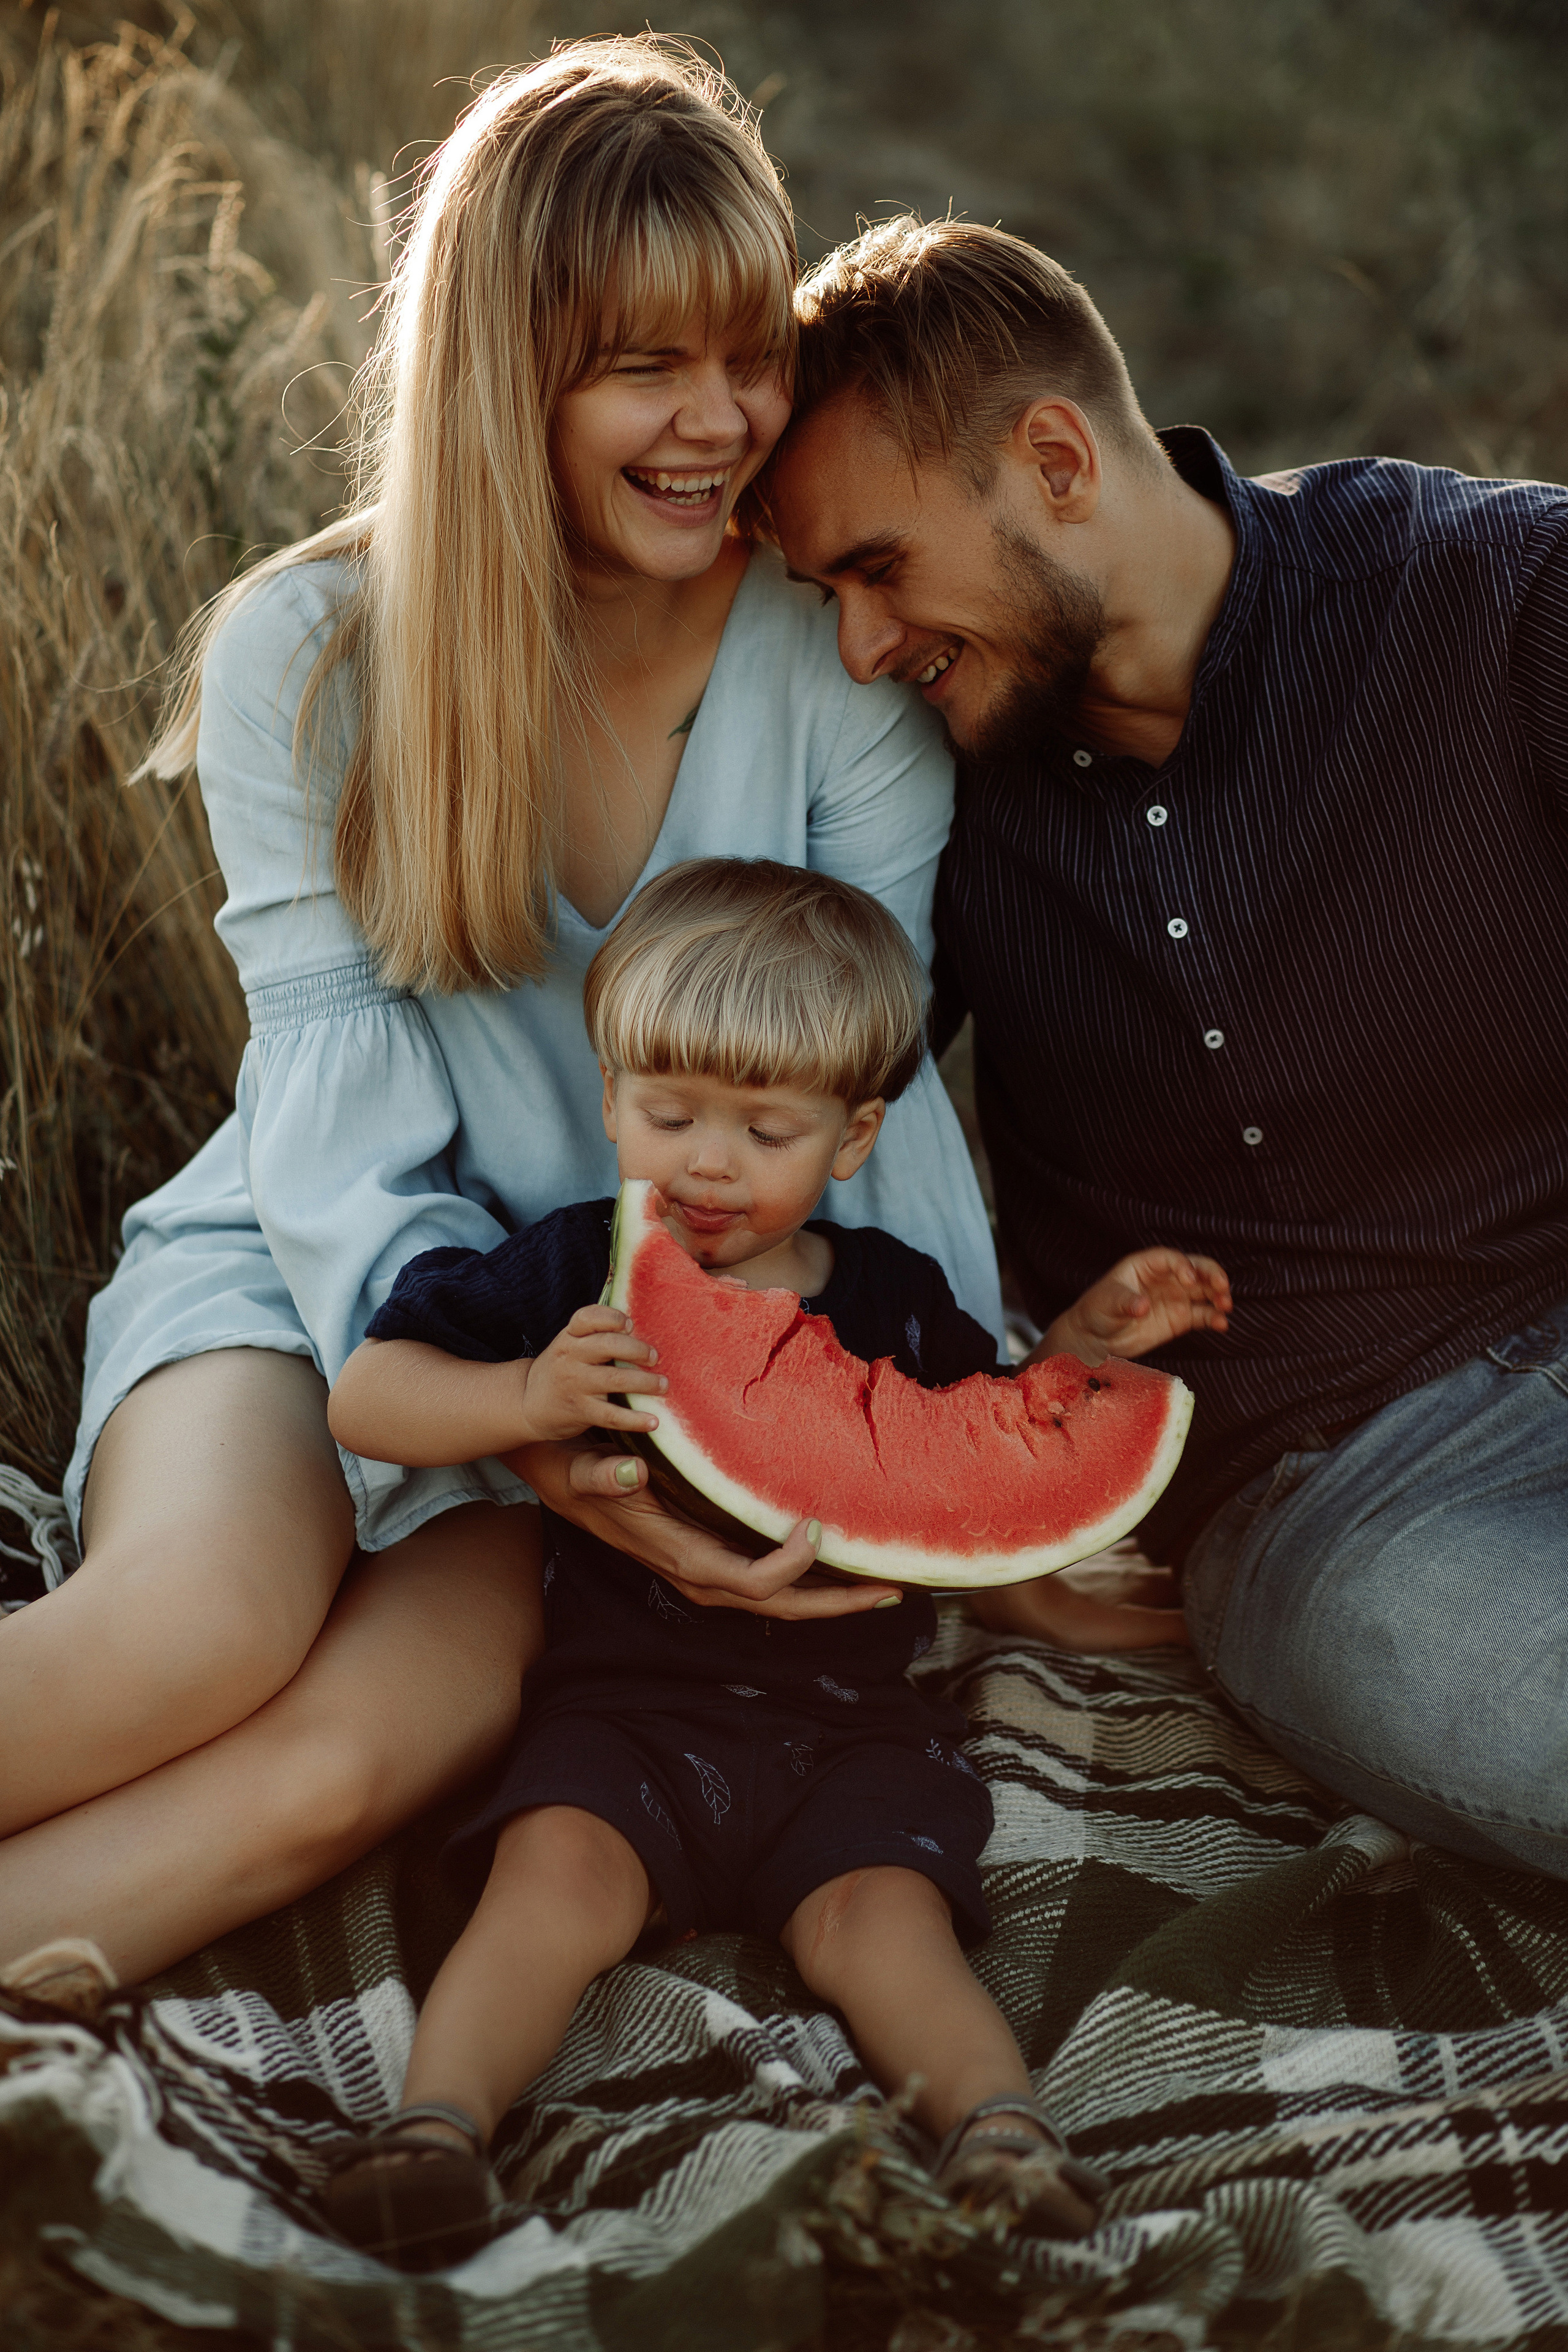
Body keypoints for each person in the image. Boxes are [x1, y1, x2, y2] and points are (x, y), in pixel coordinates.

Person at [0, 47, 1000, 1999]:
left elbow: (878, 1108)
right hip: (321, 1286)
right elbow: (334, 1129)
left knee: (356, 1763)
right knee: (200, 1634)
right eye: (647, 368)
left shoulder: (842, 664)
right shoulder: (309, 658)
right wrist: (518, 1419)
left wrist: (923, 1451)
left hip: (620, 1355)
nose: (721, 425)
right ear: (505, 374)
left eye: (748, 354)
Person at [767, 214, 1568, 1876]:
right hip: (1346, 1502)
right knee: (1425, 1665)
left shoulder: (1500, 601)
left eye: (876, 568)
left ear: (1055, 459)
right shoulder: (926, 798)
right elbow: (779, 1113)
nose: (859, 647)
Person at [314, 857, 1227, 2270]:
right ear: (609, 1098)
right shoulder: (575, 1271)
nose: (705, 1163)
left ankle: (999, 2134)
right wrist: (523, 1403)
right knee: (549, 1881)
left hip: (849, 1732)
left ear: (853, 1137)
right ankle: (433, 2134)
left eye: (763, 1127)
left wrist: (1085, 1355)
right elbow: (366, 1396)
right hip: (624, 1715)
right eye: (666, 1113)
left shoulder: (889, 1300)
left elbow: (981, 1457)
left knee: (887, 1926)